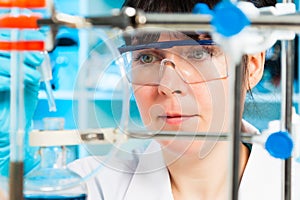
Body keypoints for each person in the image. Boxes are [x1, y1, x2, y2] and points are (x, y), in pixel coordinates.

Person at [1, 0, 299, 200]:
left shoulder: (292, 187)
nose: (168, 86)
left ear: (254, 65)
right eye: (146, 56)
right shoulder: (88, 186)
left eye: (198, 53)